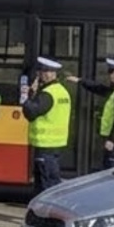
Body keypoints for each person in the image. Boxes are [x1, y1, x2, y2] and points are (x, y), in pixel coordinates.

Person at [67, 57, 114, 169]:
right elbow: (98, 88)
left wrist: (111, 139)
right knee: (109, 167)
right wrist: (80, 81)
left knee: (113, 170)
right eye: (110, 72)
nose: (111, 75)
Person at [20, 56, 71, 195]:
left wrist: (26, 98)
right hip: (56, 144)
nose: (41, 75)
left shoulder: (47, 94)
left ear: (50, 74)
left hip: (45, 144)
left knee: (44, 186)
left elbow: (31, 112)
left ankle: (44, 215)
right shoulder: (62, 91)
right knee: (51, 181)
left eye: (42, 72)